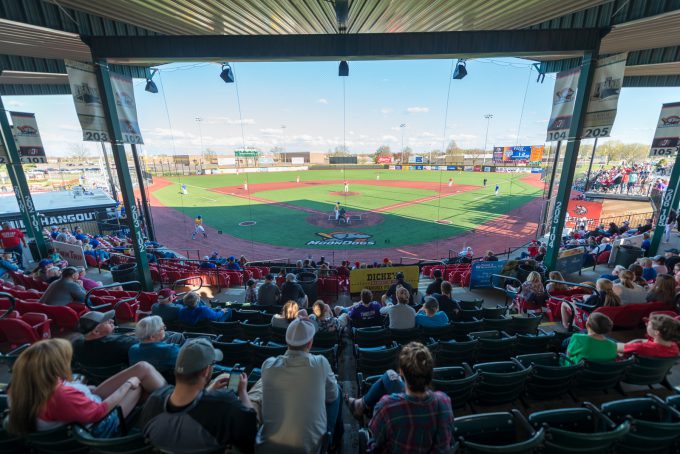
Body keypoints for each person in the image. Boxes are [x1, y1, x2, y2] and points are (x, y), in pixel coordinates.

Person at [7, 338, 166, 437]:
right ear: (54, 366)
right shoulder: (60, 395)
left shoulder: (19, 387)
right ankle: (171, 405)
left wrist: (84, 390)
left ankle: (166, 404)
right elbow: (99, 412)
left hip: (85, 406)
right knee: (139, 386)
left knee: (142, 368)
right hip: (99, 425)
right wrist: (128, 385)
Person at [140, 338, 257, 453]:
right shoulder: (225, 404)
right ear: (206, 371)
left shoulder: (154, 400)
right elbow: (250, 428)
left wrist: (209, 390)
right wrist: (242, 392)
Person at [346, 342, 454, 453]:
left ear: (401, 372)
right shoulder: (445, 401)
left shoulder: (387, 406)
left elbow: (376, 443)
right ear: (431, 372)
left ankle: (360, 405)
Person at [257, 318, 341, 452]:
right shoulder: (320, 363)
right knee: (338, 391)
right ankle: (332, 441)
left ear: (287, 341)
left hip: (268, 447)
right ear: (309, 343)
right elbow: (332, 397)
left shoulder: (267, 365)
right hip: (309, 449)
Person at [73, 310, 139, 367]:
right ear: (96, 331)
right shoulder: (122, 342)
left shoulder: (76, 346)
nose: (112, 321)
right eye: (107, 321)